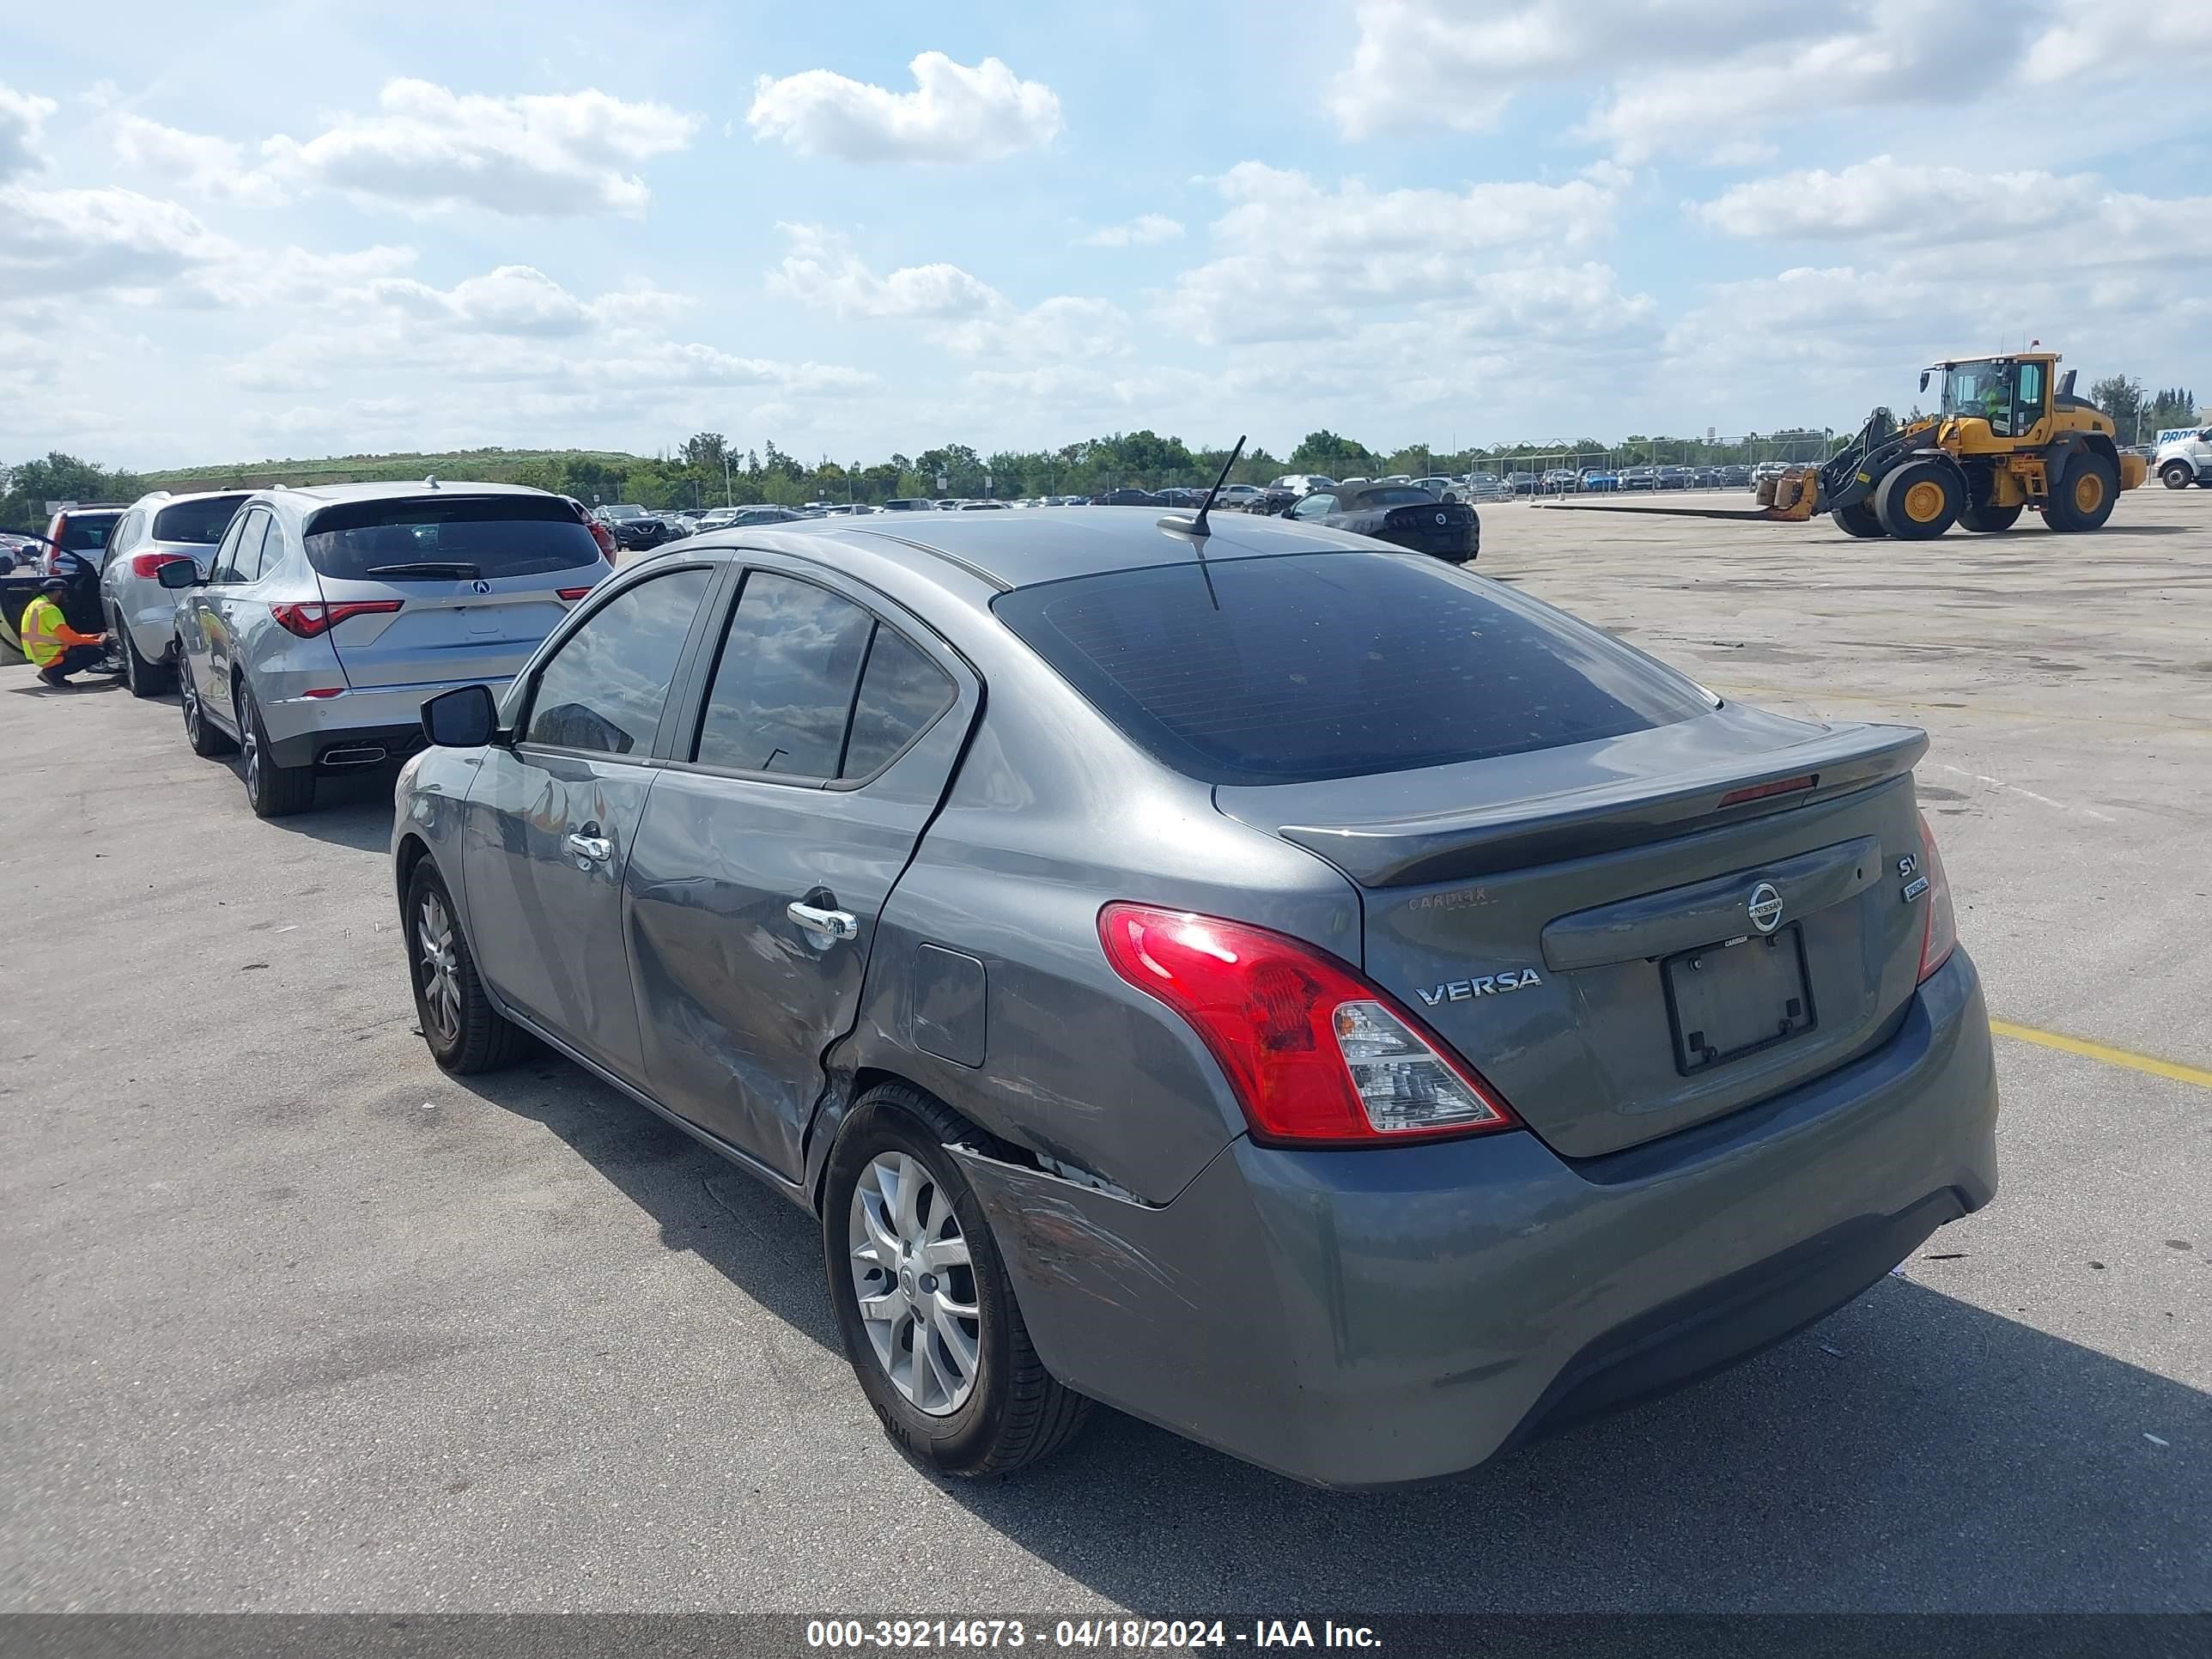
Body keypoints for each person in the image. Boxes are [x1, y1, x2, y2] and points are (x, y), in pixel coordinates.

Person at [20, 576, 109, 687]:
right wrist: (98, 642)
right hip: (51, 654)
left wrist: (93, 637)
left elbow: (67, 636)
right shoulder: (49, 610)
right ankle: (53, 674)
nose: (67, 598)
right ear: (58, 592)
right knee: (96, 652)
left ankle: (52, 672)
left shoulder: (36, 604)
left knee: (86, 647)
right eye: (65, 594)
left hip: (41, 653)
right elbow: (70, 639)